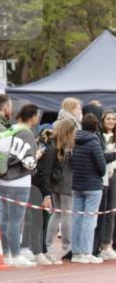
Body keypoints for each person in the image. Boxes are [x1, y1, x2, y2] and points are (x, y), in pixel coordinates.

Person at [0, 103, 41, 267]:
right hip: (19, 182)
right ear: (33, 117)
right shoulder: (26, 134)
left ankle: (6, 253)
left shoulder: (8, 131)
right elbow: (28, 162)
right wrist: (37, 157)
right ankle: (15, 254)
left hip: (1, 179)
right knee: (15, 220)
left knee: (4, 218)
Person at [70, 113, 116, 263]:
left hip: (77, 184)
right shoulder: (94, 142)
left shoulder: (75, 141)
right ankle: (86, 252)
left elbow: (71, 162)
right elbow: (102, 167)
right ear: (96, 126)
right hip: (92, 186)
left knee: (77, 219)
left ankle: (76, 253)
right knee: (90, 220)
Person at [35, 118, 75, 263]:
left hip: (51, 184)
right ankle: (61, 247)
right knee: (61, 214)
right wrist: (46, 193)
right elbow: (46, 171)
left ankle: (46, 247)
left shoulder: (51, 144)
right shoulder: (55, 147)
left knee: (53, 214)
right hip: (54, 185)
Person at [97, 110, 116, 259]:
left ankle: (106, 244)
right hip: (102, 175)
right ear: (103, 120)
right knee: (101, 210)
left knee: (111, 210)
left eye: (113, 119)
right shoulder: (99, 136)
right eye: (108, 118)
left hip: (114, 174)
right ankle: (97, 244)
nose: (111, 121)